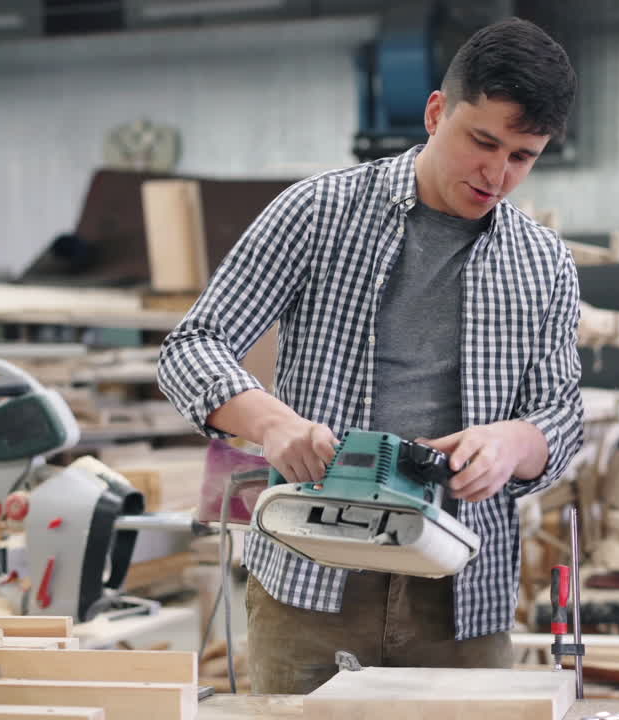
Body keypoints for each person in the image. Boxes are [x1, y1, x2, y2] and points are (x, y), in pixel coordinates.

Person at [157, 17, 583, 695]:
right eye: (483, 142)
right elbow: (192, 347)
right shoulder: (318, 212)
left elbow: (561, 416)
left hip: (461, 601)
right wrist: (272, 424)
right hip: (309, 585)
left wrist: (513, 442)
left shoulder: (544, 264)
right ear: (436, 110)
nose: (497, 174)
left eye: (523, 156)